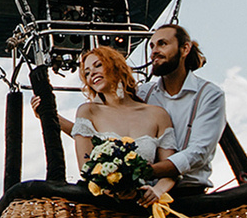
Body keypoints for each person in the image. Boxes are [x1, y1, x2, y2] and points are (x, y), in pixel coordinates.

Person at [69, 44, 172, 198]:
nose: (92, 74)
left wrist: (157, 190)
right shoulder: (88, 111)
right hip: (107, 205)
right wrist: (114, 191)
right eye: (87, 73)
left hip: (147, 202)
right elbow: (86, 170)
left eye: (98, 65)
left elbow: (171, 169)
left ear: (117, 66)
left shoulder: (157, 114)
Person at [136, 23, 225, 197]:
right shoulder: (144, 93)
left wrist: (146, 171)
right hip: (141, 195)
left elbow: (199, 152)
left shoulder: (209, 94)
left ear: (185, 49)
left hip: (189, 196)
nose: (154, 51)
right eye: (152, 46)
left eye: (162, 44)